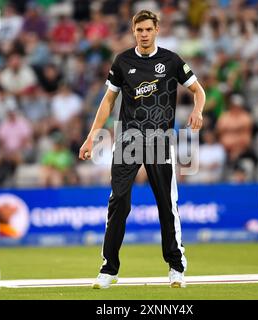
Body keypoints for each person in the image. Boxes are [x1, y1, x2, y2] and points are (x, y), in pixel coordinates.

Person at [79, 10, 205, 289]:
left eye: (148, 29)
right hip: (128, 141)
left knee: (166, 205)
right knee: (118, 202)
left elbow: (199, 90)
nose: (144, 34)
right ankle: (108, 269)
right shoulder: (122, 61)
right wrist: (91, 137)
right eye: (139, 30)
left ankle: (175, 267)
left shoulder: (171, 60)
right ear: (133, 31)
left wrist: (198, 110)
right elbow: (108, 101)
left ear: (157, 29)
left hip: (160, 141)